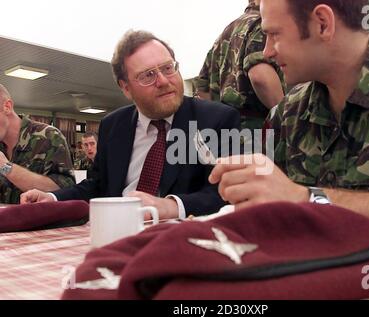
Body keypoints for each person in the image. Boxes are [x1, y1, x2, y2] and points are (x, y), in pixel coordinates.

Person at [209, 0, 369, 232]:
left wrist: (308, 199)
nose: (267, 51)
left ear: (322, 24)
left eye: (275, 34)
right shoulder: (288, 112)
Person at [21, 30, 241, 221]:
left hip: (180, 235)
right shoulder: (113, 125)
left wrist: (170, 206)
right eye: (148, 75)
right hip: (114, 230)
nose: (163, 81)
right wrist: (52, 198)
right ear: (126, 88)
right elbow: (97, 186)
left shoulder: (216, 121)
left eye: (167, 68)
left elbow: (226, 193)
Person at [195, 0, 285, 131]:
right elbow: (259, 76)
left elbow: (203, 88)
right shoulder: (262, 25)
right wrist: (286, 117)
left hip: (225, 130)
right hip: (257, 131)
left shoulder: (227, 30)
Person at [0, 84, 75, 204]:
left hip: (42, 222)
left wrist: (5, 167)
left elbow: (65, 191)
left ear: (7, 107)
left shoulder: (49, 137)